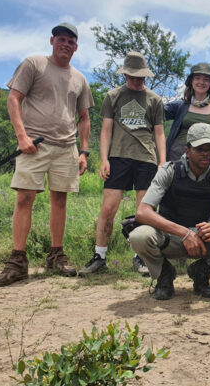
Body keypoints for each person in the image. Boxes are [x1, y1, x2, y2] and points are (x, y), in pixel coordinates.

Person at [0, 22, 94, 287]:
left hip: (66, 148)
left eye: (71, 42)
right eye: (61, 39)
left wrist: (84, 151)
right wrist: (22, 137)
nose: (66, 45)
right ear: (52, 41)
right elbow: (14, 99)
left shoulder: (80, 78)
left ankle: (56, 256)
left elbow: (84, 117)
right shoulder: (34, 64)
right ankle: (17, 262)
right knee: (25, 199)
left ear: (76, 47)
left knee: (60, 201)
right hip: (33, 144)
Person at [128, 123, 210, 300]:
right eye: (200, 149)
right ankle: (163, 274)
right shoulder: (170, 170)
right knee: (139, 236)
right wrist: (184, 233)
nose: (206, 153)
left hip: (204, 238)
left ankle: (202, 271)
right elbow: (143, 212)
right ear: (188, 151)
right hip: (171, 237)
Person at [78, 52, 166, 276]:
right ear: (126, 74)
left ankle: (141, 257)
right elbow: (106, 129)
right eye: (134, 76)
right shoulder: (113, 96)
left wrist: (162, 163)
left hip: (146, 158)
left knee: (144, 211)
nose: (138, 81)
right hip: (118, 157)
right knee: (108, 209)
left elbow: (159, 133)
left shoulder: (154, 100)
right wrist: (104, 159)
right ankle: (100, 256)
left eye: (141, 77)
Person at [165, 63, 210, 162]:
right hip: (176, 155)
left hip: (205, 158)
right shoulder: (180, 105)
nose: (201, 82)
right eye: (197, 78)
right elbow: (156, 113)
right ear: (191, 81)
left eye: (206, 79)